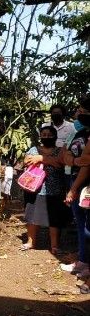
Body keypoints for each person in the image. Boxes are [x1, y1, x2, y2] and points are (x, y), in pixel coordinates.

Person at [19, 125, 70, 254]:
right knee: (32, 215)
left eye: (50, 135)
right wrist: (49, 161)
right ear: (40, 136)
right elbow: (27, 161)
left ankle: (55, 245)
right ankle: (30, 242)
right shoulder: (33, 149)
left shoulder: (60, 150)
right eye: (44, 134)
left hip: (55, 189)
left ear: (55, 137)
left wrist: (41, 159)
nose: (46, 137)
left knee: (55, 218)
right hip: (34, 188)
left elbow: (60, 162)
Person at [62, 99, 90, 279]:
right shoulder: (81, 132)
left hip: (83, 182)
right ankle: (83, 260)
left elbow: (87, 164)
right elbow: (65, 153)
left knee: (88, 226)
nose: (79, 113)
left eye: (83, 110)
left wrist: (73, 189)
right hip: (74, 178)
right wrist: (73, 160)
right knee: (81, 223)